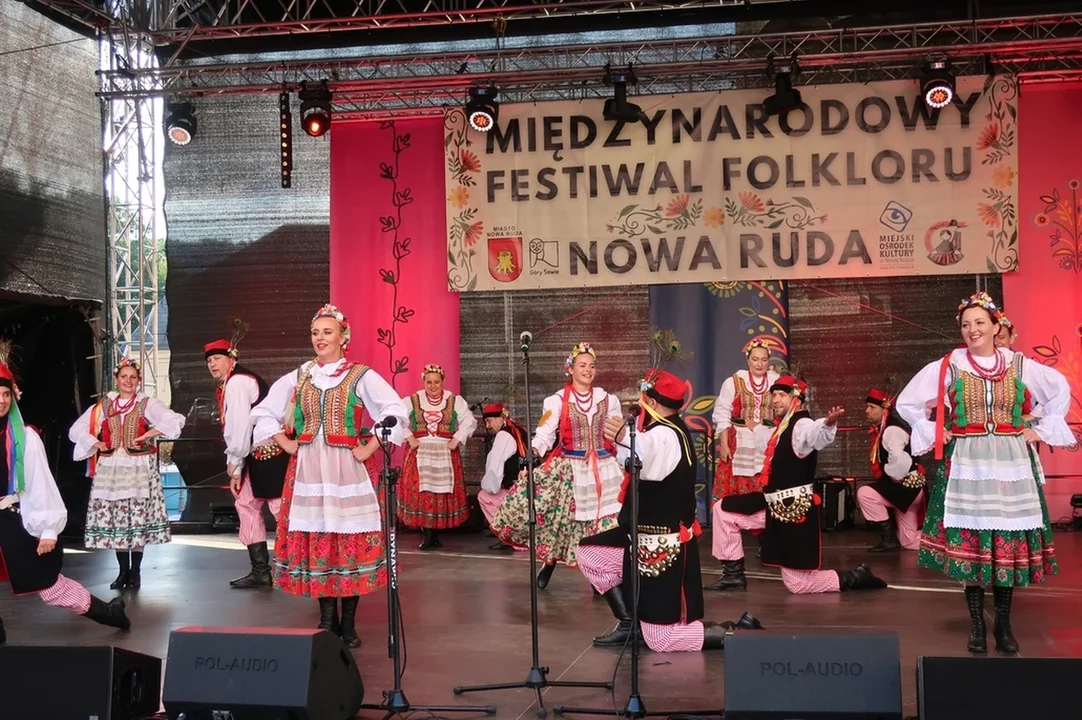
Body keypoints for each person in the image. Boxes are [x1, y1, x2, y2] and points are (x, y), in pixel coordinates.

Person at [896, 291, 1074, 654]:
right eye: (966, 325)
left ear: (996, 326)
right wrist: (934, 430)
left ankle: (1004, 626)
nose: (972, 330)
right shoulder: (948, 366)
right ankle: (978, 625)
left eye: (980, 323)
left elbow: (1059, 390)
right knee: (974, 543)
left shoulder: (1020, 365)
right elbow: (908, 402)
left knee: (1003, 543)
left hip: (1010, 462)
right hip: (968, 463)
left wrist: (1038, 429)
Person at [251, 304, 408, 649]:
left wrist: (369, 448)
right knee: (319, 539)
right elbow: (263, 410)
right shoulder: (301, 374)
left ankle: (348, 623)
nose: (320, 338)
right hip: (309, 469)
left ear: (343, 337)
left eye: (327, 332)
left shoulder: (359, 374)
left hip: (346, 469)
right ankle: (326, 619)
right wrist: (285, 442)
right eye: (315, 333)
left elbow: (396, 410)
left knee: (348, 543)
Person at [577, 369, 763, 652]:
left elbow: (644, 455)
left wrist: (624, 437)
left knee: (661, 640)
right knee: (591, 553)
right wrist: (626, 440)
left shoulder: (663, 435)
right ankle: (630, 624)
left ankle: (737, 633)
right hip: (640, 538)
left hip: (661, 548)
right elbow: (639, 457)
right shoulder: (665, 430)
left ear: (650, 402)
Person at [0, 346, 130, 644]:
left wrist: (48, 529)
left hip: (11, 519)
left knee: (48, 585)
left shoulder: (23, 437)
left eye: (6, 394)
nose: (2, 400)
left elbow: (39, 483)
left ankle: (109, 613)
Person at [493, 342, 623, 589]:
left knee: (604, 522)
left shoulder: (607, 399)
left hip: (604, 466)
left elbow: (616, 431)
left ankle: (600, 572)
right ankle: (550, 562)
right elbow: (544, 435)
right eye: (582, 365)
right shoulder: (556, 401)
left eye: (592, 366)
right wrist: (531, 454)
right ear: (570, 369)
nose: (588, 370)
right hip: (570, 467)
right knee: (562, 520)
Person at [753, 375, 887, 594]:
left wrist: (827, 423)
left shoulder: (802, 423)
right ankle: (732, 573)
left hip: (793, 510)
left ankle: (854, 577)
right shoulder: (783, 427)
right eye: (774, 395)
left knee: (799, 584)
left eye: (781, 395)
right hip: (778, 509)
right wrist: (755, 428)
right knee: (727, 513)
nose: (775, 400)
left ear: (796, 398)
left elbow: (814, 434)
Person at [69, 358, 185, 590]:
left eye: (132, 377)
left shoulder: (146, 403)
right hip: (112, 468)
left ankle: (136, 572)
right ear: (116, 380)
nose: (128, 381)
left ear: (138, 380)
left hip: (139, 467)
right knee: (118, 518)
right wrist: (96, 443)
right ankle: (122, 572)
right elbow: (77, 429)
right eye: (124, 377)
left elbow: (173, 419)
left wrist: (148, 434)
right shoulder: (105, 405)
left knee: (137, 517)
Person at [205, 337, 284, 589]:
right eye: (209, 360)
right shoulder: (232, 381)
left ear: (231, 359)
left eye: (217, 358)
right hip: (255, 452)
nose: (212, 364)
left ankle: (296, 566)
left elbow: (239, 425)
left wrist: (235, 462)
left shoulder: (238, 382)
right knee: (246, 503)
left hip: (266, 450)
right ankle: (260, 569)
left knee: (280, 508)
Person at [707, 339, 779, 591]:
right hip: (740, 444)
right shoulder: (734, 381)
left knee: (763, 492)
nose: (760, 364)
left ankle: (767, 544)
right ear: (748, 360)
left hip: (766, 442)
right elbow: (723, 415)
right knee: (735, 498)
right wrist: (725, 445)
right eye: (755, 359)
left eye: (764, 359)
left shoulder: (776, 381)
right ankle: (732, 564)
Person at [397, 364, 477, 549]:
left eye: (436, 382)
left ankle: (435, 534)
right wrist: (409, 436)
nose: (433, 386)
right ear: (423, 382)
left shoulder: (454, 400)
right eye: (429, 382)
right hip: (420, 452)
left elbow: (470, 421)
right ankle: (428, 534)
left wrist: (457, 438)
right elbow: (394, 418)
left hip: (444, 451)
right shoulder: (413, 400)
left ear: (443, 382)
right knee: (423, 493)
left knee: (440, 493)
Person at [856, 388, 926, 552]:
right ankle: (941, 541)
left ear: (885, 409)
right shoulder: (886, 429)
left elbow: (899, 462)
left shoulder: (891, 431)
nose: (867, 411)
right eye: (867, 406)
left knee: (865, 493)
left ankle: (888, 538)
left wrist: (888, 472)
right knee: (908, 541)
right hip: (906, 492)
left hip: (904, 489)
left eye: (872, 407)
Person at [476, 403, 527, 551]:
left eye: (489, 421)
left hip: (515, 494)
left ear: (500, 419)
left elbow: (494, 470)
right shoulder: (518, 430)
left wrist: (488, 486)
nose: (487, 426)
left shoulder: (503, 435)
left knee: (484, 495)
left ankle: (510, 537)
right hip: (528, 491)